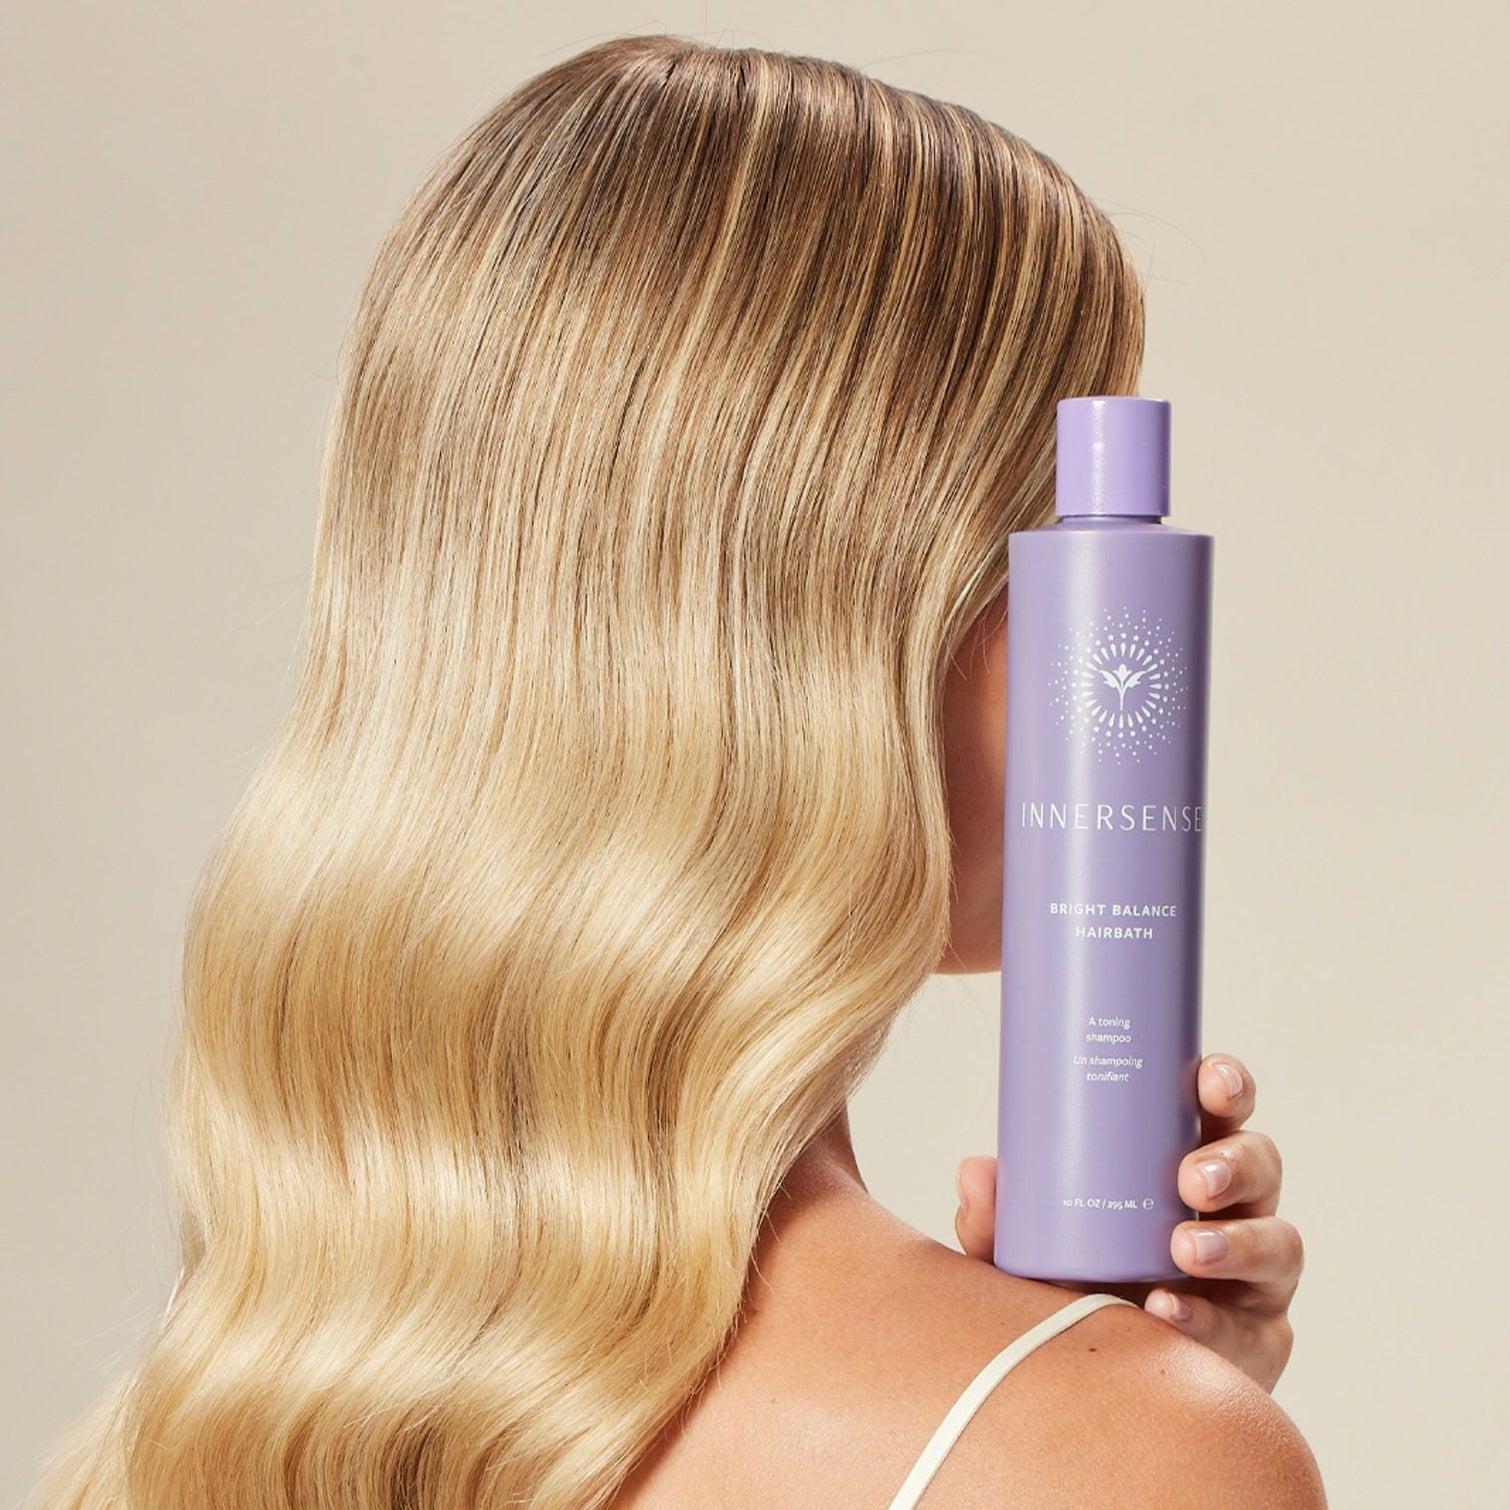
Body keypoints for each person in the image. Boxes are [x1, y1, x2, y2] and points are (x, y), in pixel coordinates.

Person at [31, 33, 1323, 1510]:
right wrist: (1124, 1421)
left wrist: (1081, 1375)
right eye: (1066, 544)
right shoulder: (1121, 1455)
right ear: (853, 619)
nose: (1113, 664)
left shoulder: (236, 1409)